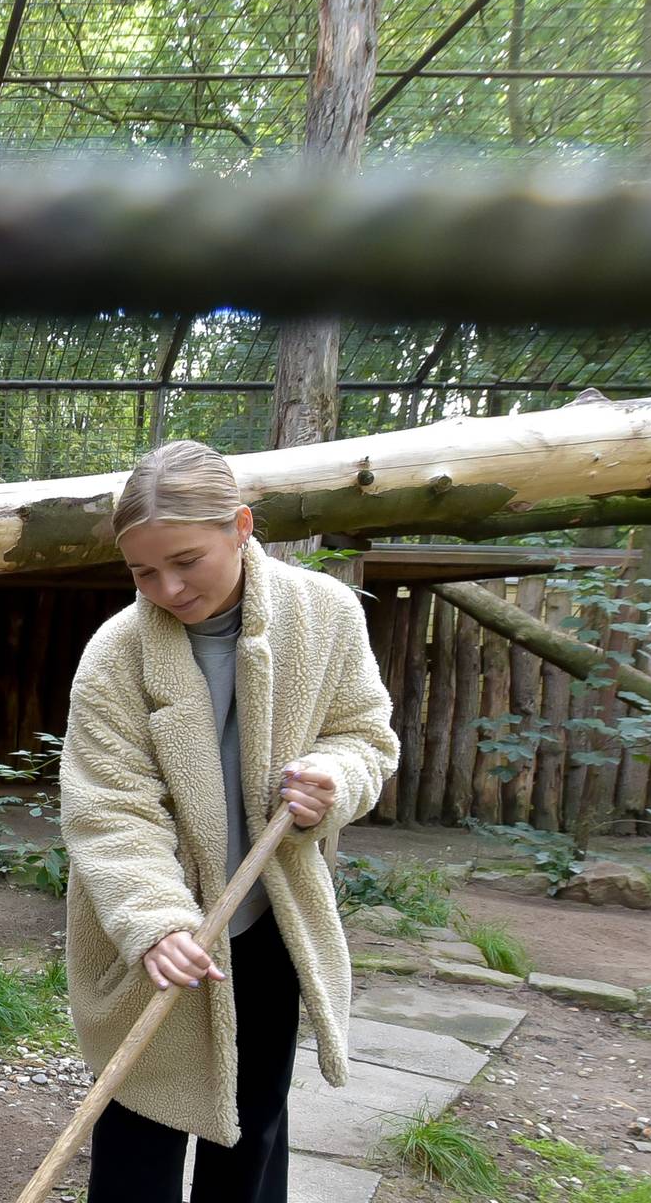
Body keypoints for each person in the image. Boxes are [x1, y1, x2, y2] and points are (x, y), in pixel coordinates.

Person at [58, 440, 398, 1203]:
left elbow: (363, 737)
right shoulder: (116, 654)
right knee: (139, 1120)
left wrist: (334, 779)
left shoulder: (324, 615)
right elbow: (109, 809)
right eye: (142, 572)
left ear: (240, 526)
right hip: (153, 928)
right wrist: (154, 921)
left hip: (270, 915)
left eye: (185, 561)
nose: (168, 588)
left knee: (252, 1122)